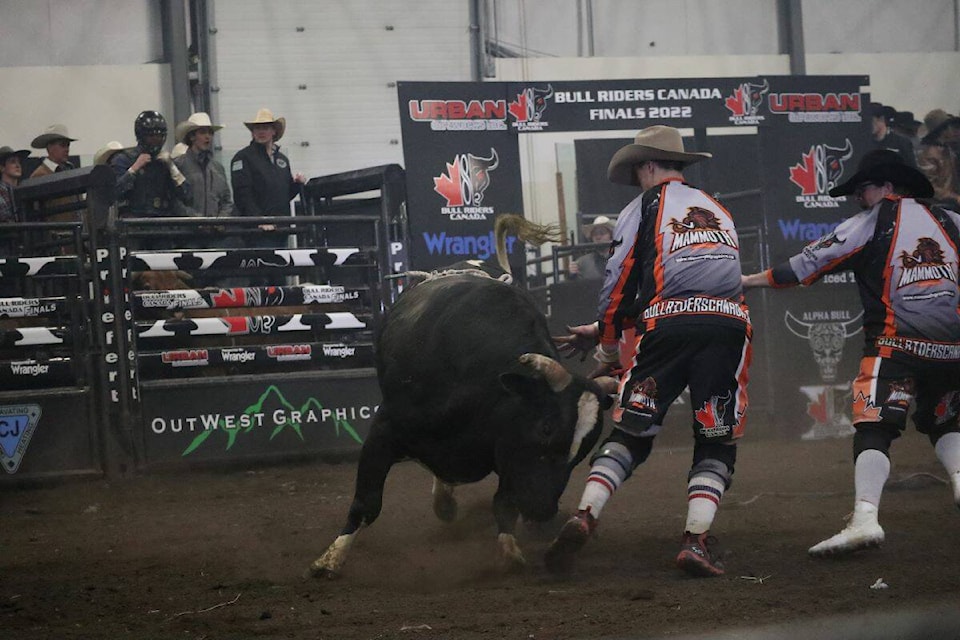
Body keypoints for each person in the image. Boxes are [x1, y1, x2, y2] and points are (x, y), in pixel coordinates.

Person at [544, 125, 752, 578]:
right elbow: (712, 279)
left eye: (638, 169)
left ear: (648, 165)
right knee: (716, 438)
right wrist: (608, 327)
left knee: (632, 433)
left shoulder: (641, 208)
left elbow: (619, 286)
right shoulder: (717, 208)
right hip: (726, 324)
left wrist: (607, 344)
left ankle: (585, 514)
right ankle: (695, 542)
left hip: (666, 329)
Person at [741, 150, 960, 558]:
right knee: (944, 421)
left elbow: (805, 264)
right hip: (952, 350)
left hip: (895, 346)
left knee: (874, 428)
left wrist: (748, 280)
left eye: (864, 189)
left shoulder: (870, 222)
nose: (859, 197)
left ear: (888, 188)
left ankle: (864, 519)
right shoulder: (952, 223)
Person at [230, 107, 305, 240]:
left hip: (281, 229)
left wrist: (297, 184)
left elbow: (285, 195)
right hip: (255, 232)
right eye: (257, 128)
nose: (261, 131)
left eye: (266, 127)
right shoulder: (242, 157)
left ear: (274, 131)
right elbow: (242, 195)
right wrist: (259, 220)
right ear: (252, 132)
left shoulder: (282, 160)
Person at [110, 110, 191, 219]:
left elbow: (187, 196)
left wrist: (172, 168)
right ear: (141, 136)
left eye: (159, 136)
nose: (156, 140)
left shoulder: (166, 162)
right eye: (151, 136)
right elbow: (114, 193)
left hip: (163, 224)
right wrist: (133, 169)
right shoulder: (124, 159)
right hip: (133, 225)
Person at [174, 112, 233, 219]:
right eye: (203, 132)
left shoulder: (218, 168)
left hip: (216, 232)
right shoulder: (179, 165)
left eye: (210, 133)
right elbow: (174, 201)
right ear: (192, 136)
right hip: (187, 232)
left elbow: (226, 201)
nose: (208, 137)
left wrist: (221, 220)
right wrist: (195, 219)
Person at [870, 103, 916, 168]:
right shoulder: (863, 143)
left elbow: (912, 168)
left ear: (881, 119)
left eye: (870, 120)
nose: (867, 124)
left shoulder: (901, 142)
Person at [568, 215, 614, 280]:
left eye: (602, 233)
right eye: (595, 234)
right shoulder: (582, 263)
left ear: (611, 235)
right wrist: (572, 274)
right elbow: (574, 286)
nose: (598, 237)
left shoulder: (622, 258)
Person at [0, 146, 29, 223]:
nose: (18, 165)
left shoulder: (23, 189)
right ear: (2, 168)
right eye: (12, 162)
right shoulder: (1, 192)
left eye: (19, 162)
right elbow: (4, 218)